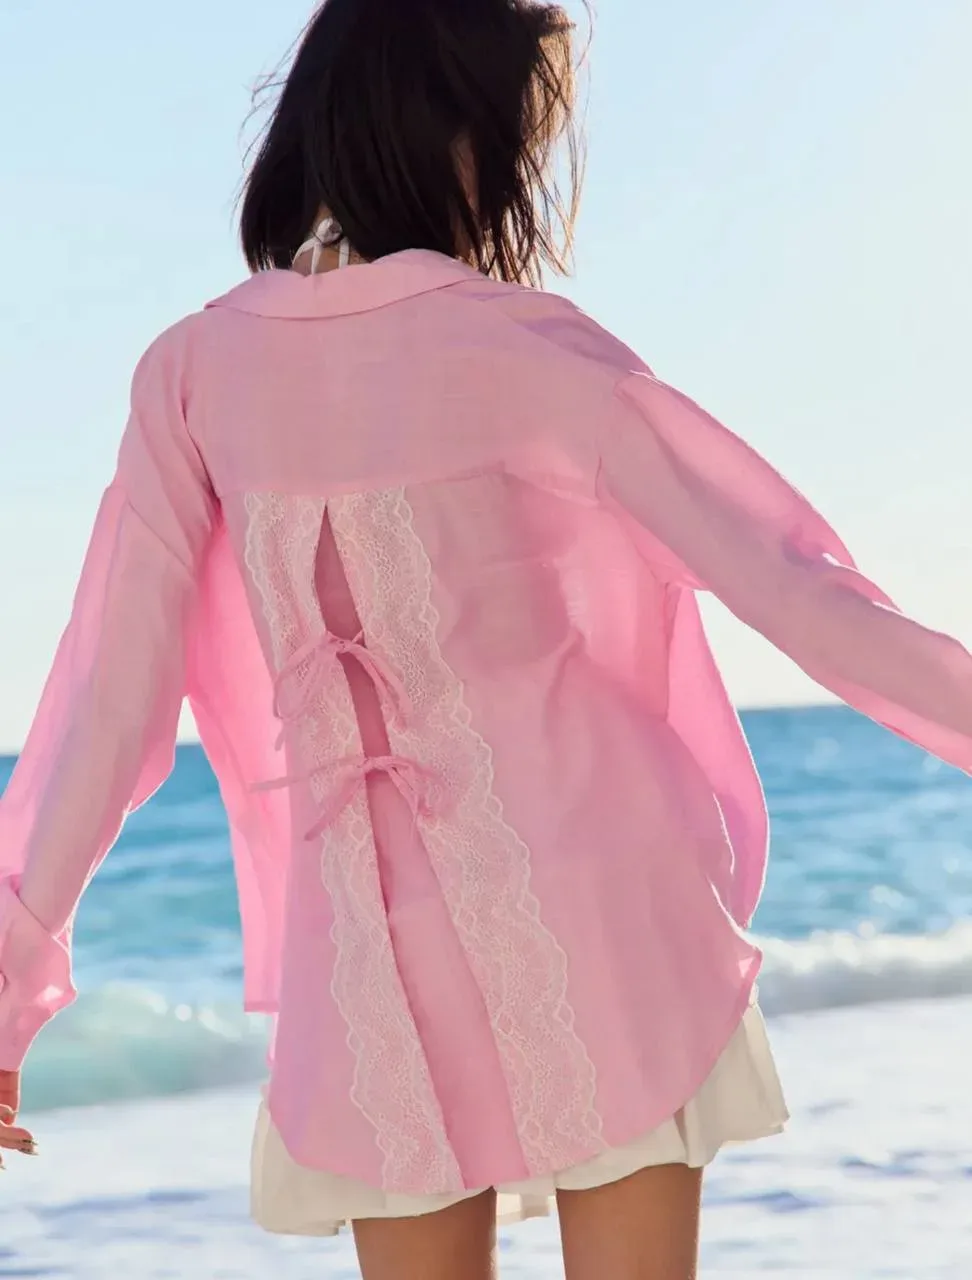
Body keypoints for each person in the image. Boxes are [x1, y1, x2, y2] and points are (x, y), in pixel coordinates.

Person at [2, 0, 971, 1275]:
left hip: (368, 972)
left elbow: (108, 705)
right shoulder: (527, 347)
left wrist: (9, 973)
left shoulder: (189, 374)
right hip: (603, 918)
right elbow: (800, 590)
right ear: (457, 133)